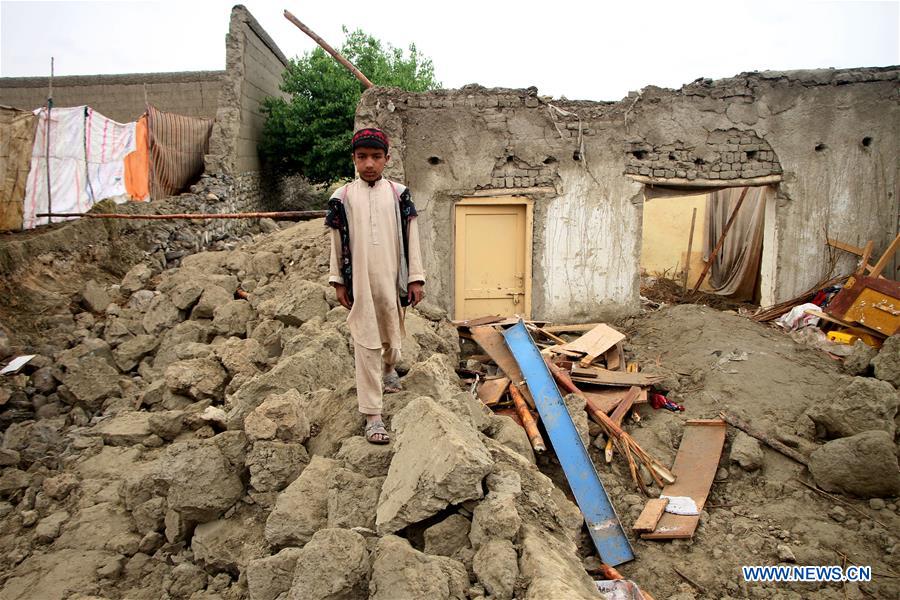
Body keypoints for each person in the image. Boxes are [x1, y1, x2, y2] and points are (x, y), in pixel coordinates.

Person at [326, 128, 425, 445]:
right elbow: (336, 242)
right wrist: (339, 281)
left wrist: (415, 278)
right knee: (365, 341)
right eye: (362, 157)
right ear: (354, 159)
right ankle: (373, 415)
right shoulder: (342, 197)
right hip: (360, 282)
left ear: (387, 159)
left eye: (376, 157)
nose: (369, 163)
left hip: (391, 279)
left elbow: (412, 237)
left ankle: (389, 367)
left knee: (392, 337)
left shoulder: (399, 193)